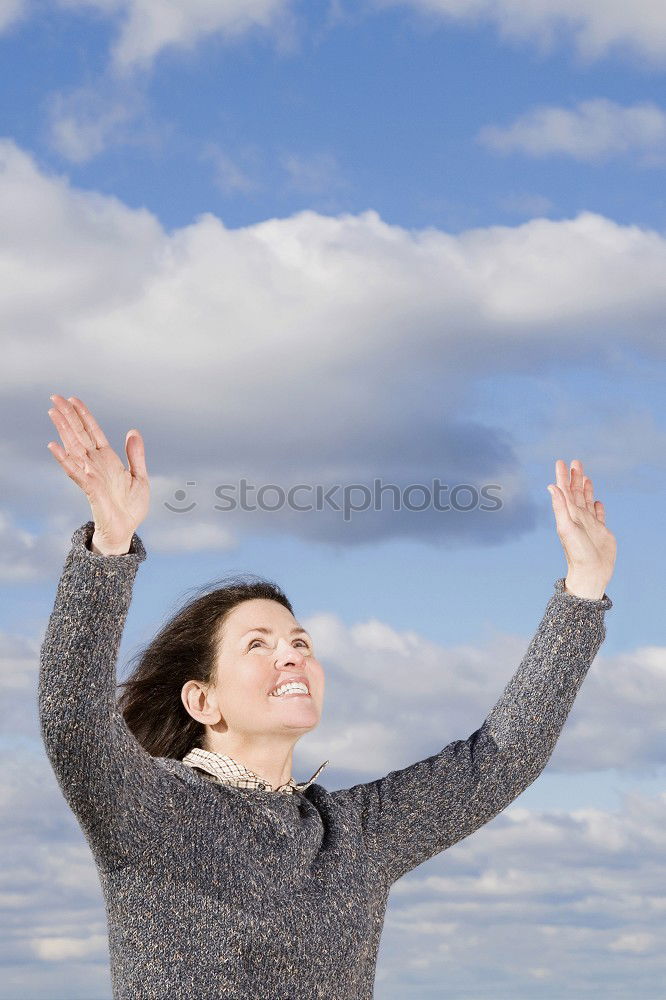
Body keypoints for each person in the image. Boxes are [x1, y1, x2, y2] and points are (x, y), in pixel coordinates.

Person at [39, 393, 616, 1000]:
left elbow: (501, 758)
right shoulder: (149, 810)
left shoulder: (354, 836)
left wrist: (583, 589)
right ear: (203, 702)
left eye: (300, 641)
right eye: (257, 645)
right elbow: (73, 717)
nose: (292, 655)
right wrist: (109, 546)